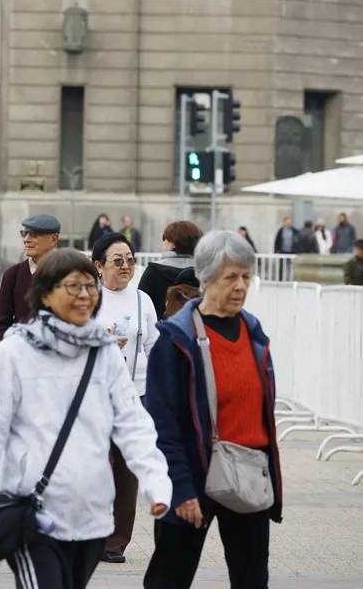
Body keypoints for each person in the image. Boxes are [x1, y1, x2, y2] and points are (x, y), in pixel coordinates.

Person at [0, 249, 172, 589]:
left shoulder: (104, 353)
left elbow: (132, 424)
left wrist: (156, 480)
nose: (85, 295)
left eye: (90, 286)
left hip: (91, 514)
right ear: (45, 293)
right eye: (73, 287)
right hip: (33, 512)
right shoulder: (14, 353)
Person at [143, 230, 283, 589]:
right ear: (205, 279)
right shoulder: (175, 340)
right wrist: (182, 488)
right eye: (230, 277)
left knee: (252, 580)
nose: (240, 286)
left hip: (247, 473)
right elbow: (163, 425)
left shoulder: (254, 333)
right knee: (169, 580)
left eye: (246, 277)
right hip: (192, 478)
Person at [90, 233, 160, 564]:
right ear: (98, 266)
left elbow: (153, 345)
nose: (126, 266)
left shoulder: (142, 300)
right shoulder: (87, 298)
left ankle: (116, 542)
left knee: (127, 472)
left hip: (136, 394)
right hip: (95, 397)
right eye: (117, 260)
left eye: (130, 260)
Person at [0, 214, 60, 340]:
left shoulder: (69, 273)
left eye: (34, 234)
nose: (26, 239)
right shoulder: (12, 275)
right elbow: (2, 324)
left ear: (54, 239)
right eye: (25, 233)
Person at [138, 220, 204, 321]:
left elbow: (141, 304)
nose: (163, 242)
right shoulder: (205, 271)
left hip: (162, 329)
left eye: (165, 239)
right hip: (199, 329)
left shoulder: (154, 270)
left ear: (174, 244)